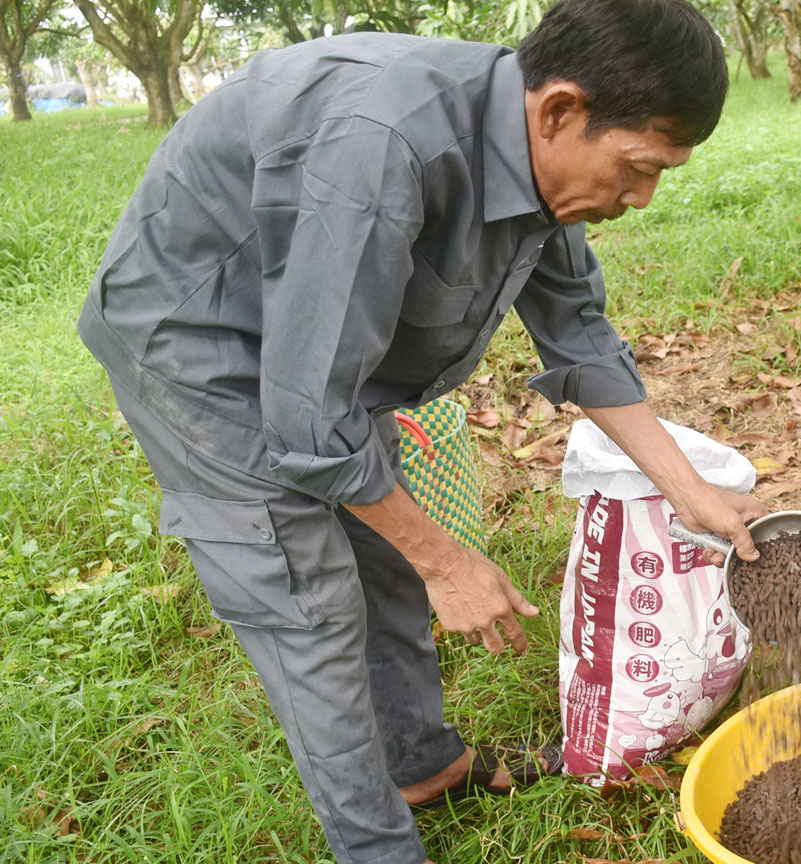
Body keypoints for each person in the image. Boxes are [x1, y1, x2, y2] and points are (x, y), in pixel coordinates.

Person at [77, 2, 760, 863]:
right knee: (309, 600)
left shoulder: (530, 150)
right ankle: (379, 847)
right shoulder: (381, 146)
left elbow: (579, 335)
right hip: (198, 345)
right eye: (636, 166)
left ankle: (419, 766)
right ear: (559, 110)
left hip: (321, 347)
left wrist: (687, 488)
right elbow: (309, 421)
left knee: (387, 559)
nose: (642, 196)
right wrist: (447, 559)